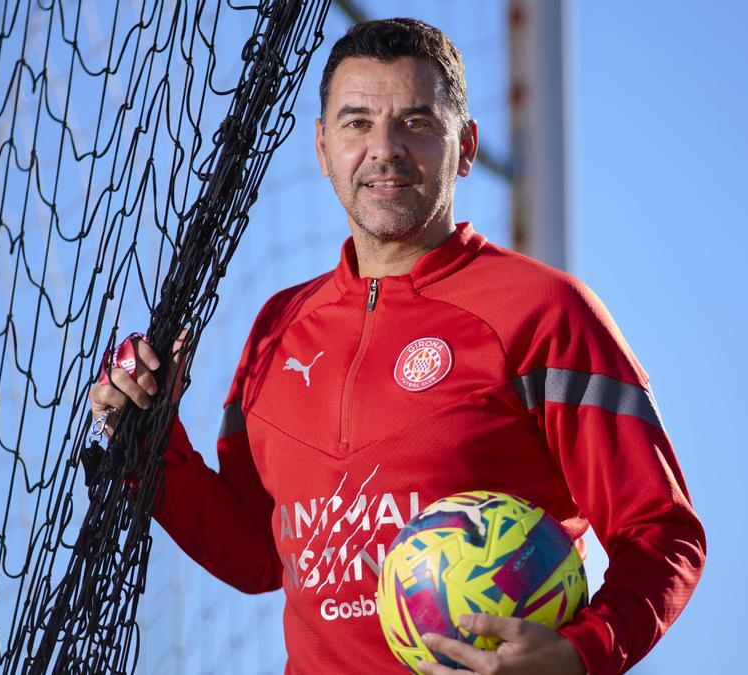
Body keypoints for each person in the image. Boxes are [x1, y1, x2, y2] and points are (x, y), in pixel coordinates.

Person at [89, 18, 705, 675]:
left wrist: (586, 651)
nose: (384, 149)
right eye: (356, 123)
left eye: (415, 122)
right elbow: (257, 556)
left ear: (464, 147)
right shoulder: (278, 325)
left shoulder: (545, 310)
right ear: (322, 149)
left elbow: (664, 532)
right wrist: (151, 443)